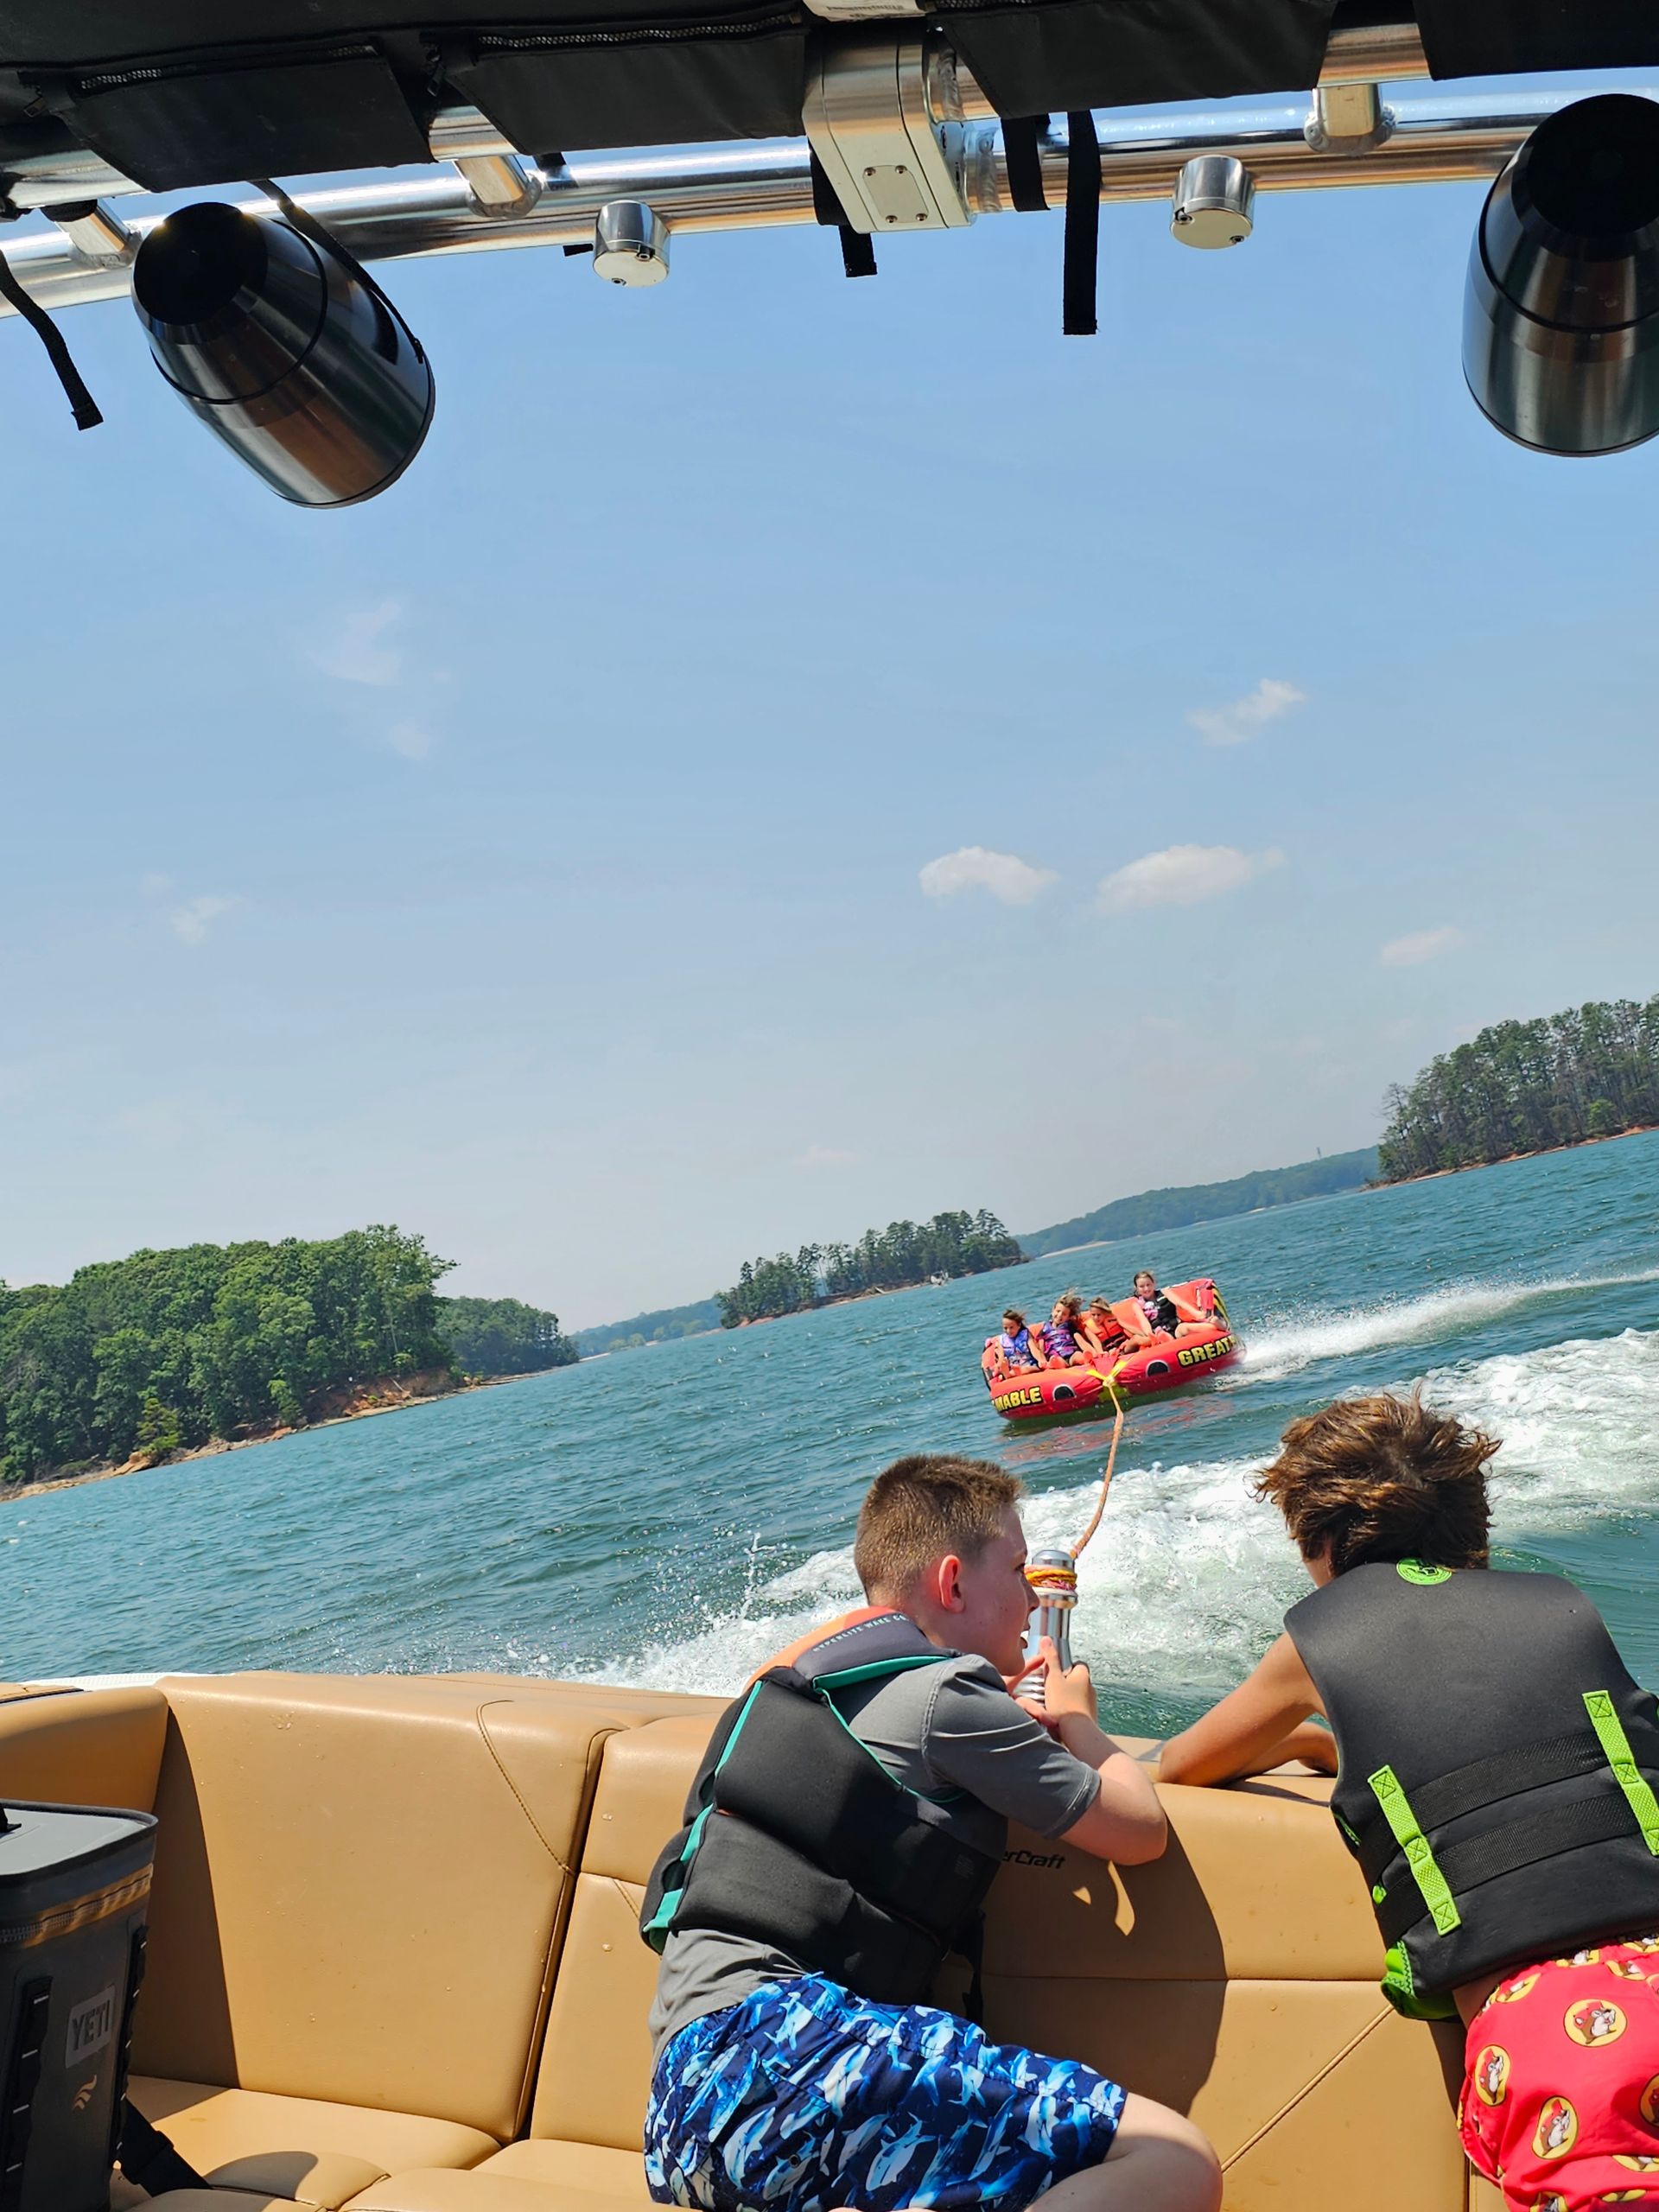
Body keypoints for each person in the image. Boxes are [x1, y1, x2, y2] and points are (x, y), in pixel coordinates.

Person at [641, 1453, 1223, 2212]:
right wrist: (1078, 1716)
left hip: (689, 2115)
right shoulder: (948, 1696)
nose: (1028, 1595)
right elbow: (1138, 1830)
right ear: (952, 1583)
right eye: (1017, 1571)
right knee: (1174, 2160)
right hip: (794, 2058)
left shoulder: (797, 1682)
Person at [1160, 1393, 1659, 2212]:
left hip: (1561, 2035)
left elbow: (1179, 1766)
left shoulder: (1316, 1640)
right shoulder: (1558, 1602)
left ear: (1318, 1543)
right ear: (1473, 1523)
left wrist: (1072, 1713)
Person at [1120, 1270, 1210, 1350]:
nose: (1146, 1289)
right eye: (1142, 1286)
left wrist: (1196, 1313)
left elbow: (1180, 1303)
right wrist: (1150, 1334)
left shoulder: (1165, 1293)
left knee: (1186, 1327)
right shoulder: (1137, 1305)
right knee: (1166, 1338)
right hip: (1159, 1332)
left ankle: (1215, 1327)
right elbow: (1143, 1321)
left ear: (1154, 1283)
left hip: (1176, 1327)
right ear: (1137, 1288)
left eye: (1148, 1285)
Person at [983, 1307, 1040, 1381]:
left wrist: (1041, 1360)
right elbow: (1001, 1358)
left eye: (1011, 1327)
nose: (1008, 1331)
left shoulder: (1026, 1335)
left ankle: (1009, 1375)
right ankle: (1007, 1374)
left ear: (1019, 1326)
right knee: (1006, 1365)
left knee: (1029, 1369)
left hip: (1029, 1364)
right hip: (1013, 1367)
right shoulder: (1001, 1340)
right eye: (1005, 1328)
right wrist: (999, 1365)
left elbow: (1034, 1349)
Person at [1037, 1292, 1090, 1368]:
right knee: (1055, 1360)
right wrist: (1042, 1361)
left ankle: (1085, 1359)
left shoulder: (1069, 1326)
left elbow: (1080, 1341)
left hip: (1071, 1353)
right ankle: (1058, 1364)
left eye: (1064, 1314)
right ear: (1053, 1311)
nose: (1059, 1315)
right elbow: (1040, 1348)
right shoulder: (1044, 1330)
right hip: (1056, 1356)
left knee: (1078, 1355)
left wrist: (1091, 1351)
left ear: (1068, 1317)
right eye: (1058, 1311)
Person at [1078, 1296, 1129, 1364]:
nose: (1096, 1317)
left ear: (1104, 1313)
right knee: (1110, 1353)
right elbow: (1095, 1341)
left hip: (1124, 1347)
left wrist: (1141, 1334)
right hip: (1109, 1352)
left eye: (1099, 1315)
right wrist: (1101, 1353)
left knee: (1136, 1339)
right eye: (1093, 1315)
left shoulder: (1113, 1318)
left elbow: (1128, 1327)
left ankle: (1147, 1340)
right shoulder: (1088, 1327)